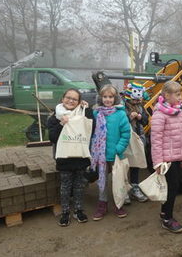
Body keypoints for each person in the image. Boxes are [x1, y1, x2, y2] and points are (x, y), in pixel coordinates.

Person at [47, 89, 92, 226]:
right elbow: (52, 137)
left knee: (79, 185)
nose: (71, 101)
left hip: (80, 157)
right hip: (64, 158)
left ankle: (78, 210)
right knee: (65, 186)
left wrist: (87, 109)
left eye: (75, 99)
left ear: (79, 102)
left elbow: (90, 126)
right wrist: (61, 124)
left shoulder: (82, 113)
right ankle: (65, 211)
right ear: (62, 98)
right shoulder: (55, 117)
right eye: (68, 97)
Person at [151, 81, 182, 233]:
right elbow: (156, 140)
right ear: (166, 96)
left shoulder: (179, 112)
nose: (181, 97)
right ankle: (167, 219)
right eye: (177, 94)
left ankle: (164, 211)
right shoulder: (159, 115)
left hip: (177, 157)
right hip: (166, 160)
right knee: (172, 188)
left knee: (174, 186)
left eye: (180, 94)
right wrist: (158, 162)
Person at [91, 84, 131, 220]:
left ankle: (118, 203)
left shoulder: (120, 114)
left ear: (115, 98)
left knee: (117, 180)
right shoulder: (96, 113)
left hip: (115, 154)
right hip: (100, 155)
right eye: (105, 97)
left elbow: (126, 133)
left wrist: (118, 149)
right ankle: (102, 204)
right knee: (102, 179)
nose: (107, 99)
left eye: (110, 97)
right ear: (100, 98)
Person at [123, 82, 149, 203]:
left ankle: (134, 187)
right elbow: (121, 120)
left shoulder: (141, 107)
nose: (137, 99)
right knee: (124, 164)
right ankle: (124, 189)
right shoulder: (123, 106)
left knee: (136, 163)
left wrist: (139, 117)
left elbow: (145, 121)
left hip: (138, 137)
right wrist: (129, 117)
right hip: (125, 139)